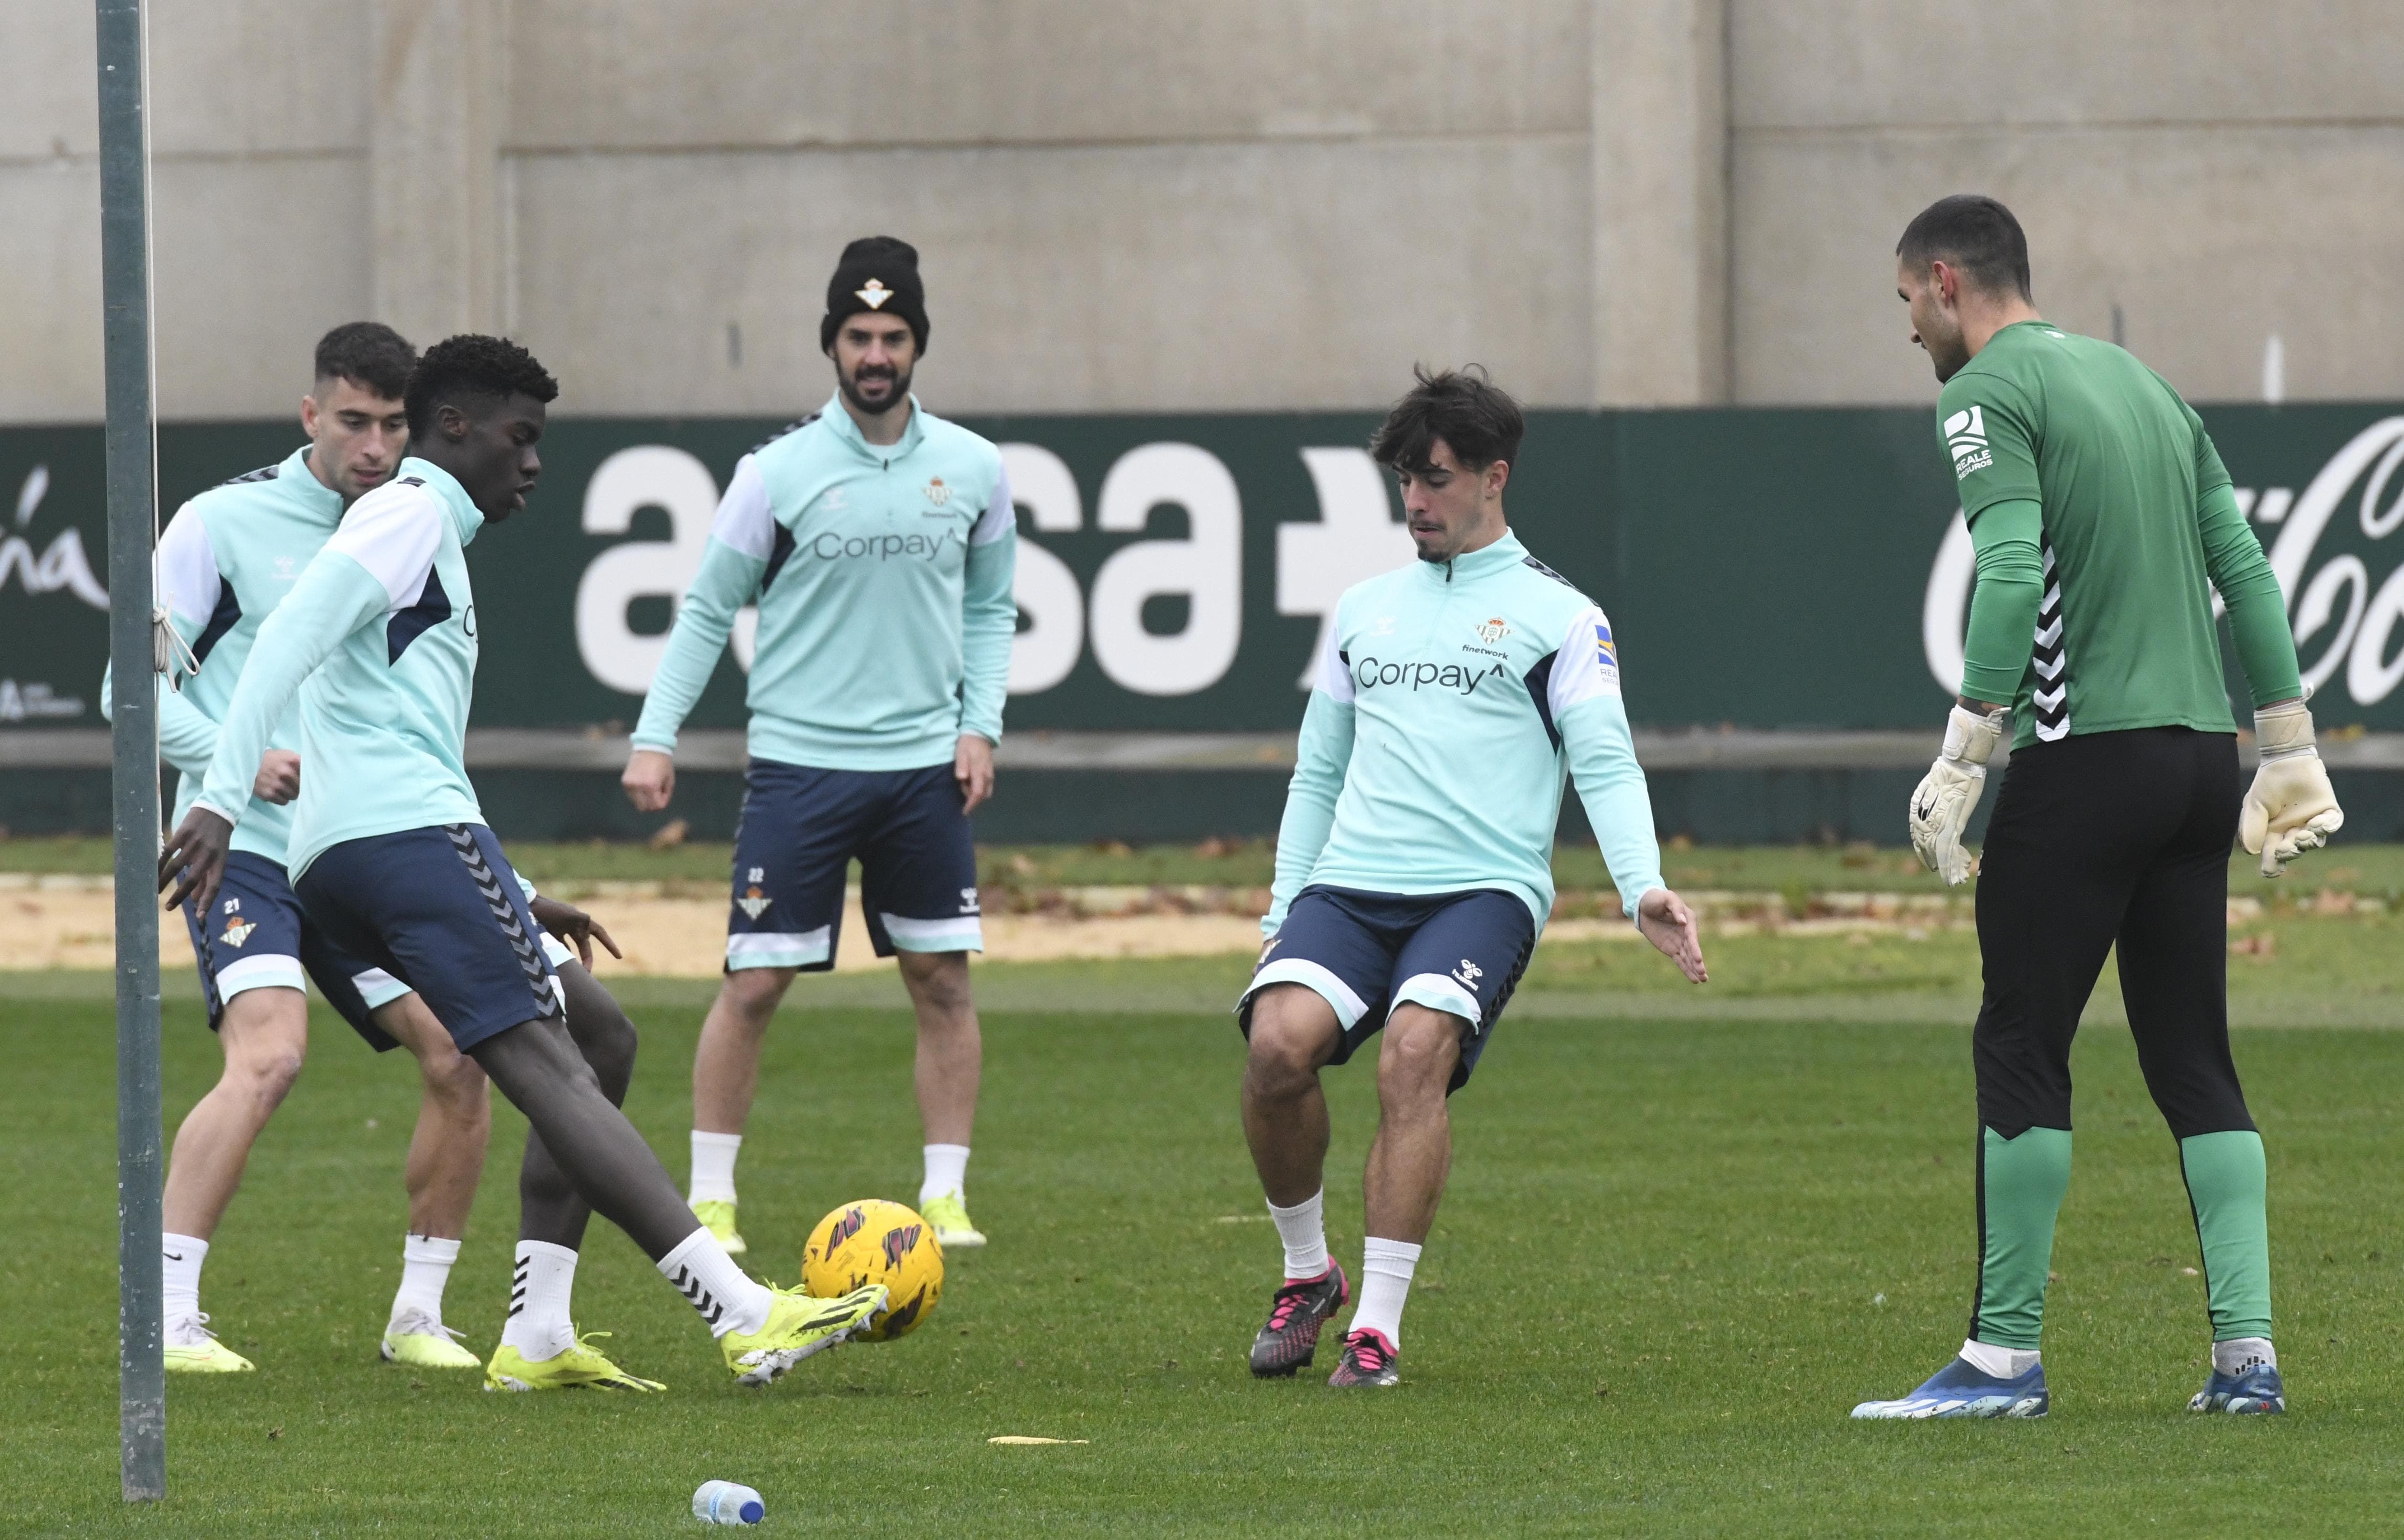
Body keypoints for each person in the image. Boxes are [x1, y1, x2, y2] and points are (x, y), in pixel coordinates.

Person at [159, 335, 886, 1388]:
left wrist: (516, 889)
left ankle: (537, 1327)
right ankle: (742, 1310)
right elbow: (284, 643)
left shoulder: (425, 529)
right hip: (394, 842)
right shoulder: (407, 513)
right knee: (547, 1064)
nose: (533, 462)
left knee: (600, 1032)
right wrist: (221, 799)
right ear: (454, 428)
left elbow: (392, 724)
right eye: (521, 437)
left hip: (385, 845)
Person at [1854, 195, 2342, 1422]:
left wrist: (1968, 742)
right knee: (2193, 1060)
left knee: (2020, 1044)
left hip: (2087, 763)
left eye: (1907, 298)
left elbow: (2012, 567)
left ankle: (2000, 1362)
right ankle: (2247, 1362)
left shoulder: (1982, 395)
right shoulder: (2146, 384)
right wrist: (2286, 738)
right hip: (2197, 767)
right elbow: (2244, 569)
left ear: (1947, 280)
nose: (1909, 327)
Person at [1237, 367, 1708, 1388]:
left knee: (1412, 1056)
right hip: (1349, 885)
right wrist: (1284, 905)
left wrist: (1643, 886)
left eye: (1436, 479)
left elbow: (1606, 759)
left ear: (1495, 477)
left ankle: (1377, 1325)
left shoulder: (1561, 617)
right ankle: (1306, 1271)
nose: (1416, 500)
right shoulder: (1362, 610)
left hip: (1481, 892)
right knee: (1276, 1049)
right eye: (1405, 479)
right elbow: (1317, 771)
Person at [104, 323, 492, 1374]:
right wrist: (242, 761)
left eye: (394, 424)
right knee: (271, 1054)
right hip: (249, 850)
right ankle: (169, 1311)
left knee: (461, 1053)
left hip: (360, 854)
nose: (374, 445)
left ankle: (419, 1314)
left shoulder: (416, 525)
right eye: (354, 421)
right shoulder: (218, 524)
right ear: (311, 414)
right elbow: (123, 694)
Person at [621, 237, 1016, 1256]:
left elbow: (990, 608)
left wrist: (980, 726)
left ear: (917, 343)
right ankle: (711, 1198)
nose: (874, 354)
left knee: (943, 980)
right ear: (831, 345)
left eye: (891, 336)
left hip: (923, 768)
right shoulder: (776, 473)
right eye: (856, 335)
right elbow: (708, 609)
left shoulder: (973, 468)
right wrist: (654, 736)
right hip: (799, 766)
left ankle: (945, 1197)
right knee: (754, 982)